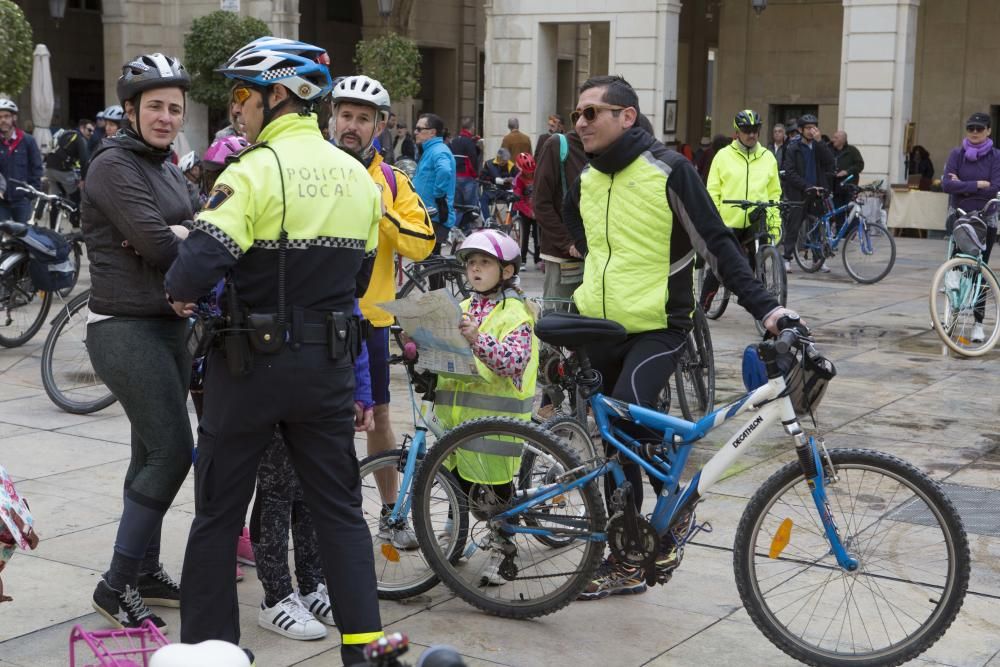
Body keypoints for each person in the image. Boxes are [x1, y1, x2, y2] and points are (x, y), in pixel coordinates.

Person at [164, 39, 383, 665]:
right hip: (328, 369)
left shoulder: (252, 170)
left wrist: (179, 294)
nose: (237, 108)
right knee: (340, 512)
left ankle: (212, 653)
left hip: (250, 366)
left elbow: (196, 268)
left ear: (278, 95)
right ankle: (366, 650)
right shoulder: (358, 177)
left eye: (242, 94)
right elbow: (360, 280)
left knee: (217, 513)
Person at [563, 75, 792, 600]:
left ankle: (658, 527)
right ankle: (630, 547)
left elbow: (717, 245)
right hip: (597, 327)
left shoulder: (670, 169)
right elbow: (576, 226)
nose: (580, 123)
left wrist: (768, 309)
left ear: (626, 116)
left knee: (624, 423)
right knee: (616, 446)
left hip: (657, 327)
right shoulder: (589, 177)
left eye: (591, 113)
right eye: (577, 114)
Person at [82, 53, 195, 632]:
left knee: (147, 452)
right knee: (174, 451)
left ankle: (145, 569)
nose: (166, 116)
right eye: (154, 106)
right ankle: (116, 582)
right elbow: (164, 247)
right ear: (130, 110)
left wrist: (182, 234)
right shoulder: (113, 166)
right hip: (125, 329)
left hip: (171, 326)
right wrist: (176, 237)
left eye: (174, 108)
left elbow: (200, 231)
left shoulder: (169, 168)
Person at [331, 74, 436, 549]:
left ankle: (392, 514)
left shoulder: (393, 181)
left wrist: (384, 212)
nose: (352, 126)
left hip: (370, 319)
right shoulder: (315, 169)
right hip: (317, 317)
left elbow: (422, 244)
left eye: (363, 119)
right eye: (345, 115)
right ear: (332, 118)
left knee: (378, 418)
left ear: (380, 126)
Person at [440, 229, 538, 584]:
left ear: (507, 271)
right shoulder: (462, 308)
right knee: (456, 486)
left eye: (485, 263)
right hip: (455, 419)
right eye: (471, 264)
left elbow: (513, 362)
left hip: (496, 422)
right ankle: (456, 535)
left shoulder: (517, 315)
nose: (475, 270)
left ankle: (504, 550)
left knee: (496, 497)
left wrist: (476, 338)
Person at [700, 110, 782, 310]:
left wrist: (774, 222)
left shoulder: (767, 157)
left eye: (755, 130)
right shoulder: (723, 156)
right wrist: (715, 218)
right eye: (747, 130)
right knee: (721, 265)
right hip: (729, 219)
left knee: (754, 267)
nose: (752, 134)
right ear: (737, 132)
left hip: (757, 218)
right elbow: (713, 190)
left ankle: (764, 310)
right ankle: (702, 307)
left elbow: (773, 193)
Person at [941, 111, 1000, 343]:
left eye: (979, 128)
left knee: (979, 270)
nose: (975, 133)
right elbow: (946, 184)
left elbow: (995, 187)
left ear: (988, 131)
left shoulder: (996, 157)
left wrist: (962, 185)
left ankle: (977, 323)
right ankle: (952, 313)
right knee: (956, 264)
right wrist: (976, 184)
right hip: (960, 216)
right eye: (971, 128)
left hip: (986, 217)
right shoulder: (957, 154)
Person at [534, 126, 587, 300]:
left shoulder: (605, 150)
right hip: (565, 257)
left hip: (598, 259)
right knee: (561, 317)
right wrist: (568, 242)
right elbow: (540, 203)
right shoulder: (558, 145)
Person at [780, 113, 833, 272]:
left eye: (814, 128)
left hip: (817, 192)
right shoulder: (793, 147)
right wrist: (806, 186)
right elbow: (790, 172)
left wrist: (820, 142)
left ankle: (818, 259)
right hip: (799, 193)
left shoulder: (819, 145)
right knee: (794, 226)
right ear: (801, 130)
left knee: (817, 227)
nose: (812, 131)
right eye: (808, 128)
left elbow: (830, 162)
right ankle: (787, 258)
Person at [412, 113, 456, 253]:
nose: (415, 132)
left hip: (434, 214)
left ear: (432, 132)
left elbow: (444, 170)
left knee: (429, 259)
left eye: (419, 129)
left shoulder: (438, 150)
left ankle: (442, 274)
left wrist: (439, 196)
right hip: (428, 212)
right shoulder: (430, 150)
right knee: (428, 258)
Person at [0, 99, 43, 223]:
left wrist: (31, 194)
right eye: (0, 117)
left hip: (22, 200)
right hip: (2, 201)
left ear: (14, 118)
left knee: (23, 237)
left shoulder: (27, 141)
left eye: (6, 116)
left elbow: (37, 168)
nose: (3, 120)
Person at [44, 118, 93, 227]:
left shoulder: (65, 133)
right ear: (82, 128)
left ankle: (53, 228)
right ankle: (75, 225)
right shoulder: (80, 139)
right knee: (76, 197)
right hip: (63, 172)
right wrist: (83, 179)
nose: (91, 133)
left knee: (56, 199)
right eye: (89, 130)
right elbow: (84, 160)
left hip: (49, 169)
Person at [450, 116, 482, 231]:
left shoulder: (454, 140)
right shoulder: (469, 142)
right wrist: (477, 175)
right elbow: (473, 160)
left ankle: (457, 230)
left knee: (458, 207)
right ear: (471, 128)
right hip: (467, 178)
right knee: (470, 208)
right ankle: (465, 231)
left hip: (455, 177)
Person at [831, 130, 865, 226]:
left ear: (843, 140)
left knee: (851, 212)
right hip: (836, 187)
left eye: (836, 138)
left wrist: (847, 171)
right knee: (838, 212)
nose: (833, 140)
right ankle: (840, 235)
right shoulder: (831, 150)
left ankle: (851, 234)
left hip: (849, 187)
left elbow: (860, 165)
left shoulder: (852, 150)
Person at [511, 152, 539, 267]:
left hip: (537, 209)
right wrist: (528, 212)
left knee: (538, 236)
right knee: (524, 236)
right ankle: (522, 259)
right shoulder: (519, 179)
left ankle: (538, 260)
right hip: (524, 211)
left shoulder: (538, 175)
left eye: (531, 171)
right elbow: (518, 199)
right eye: (527, 171)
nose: (530, 173)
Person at [479, 147, 518, 218]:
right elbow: (482, 177)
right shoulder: (489, 164)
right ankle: (487, 221)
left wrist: (512, 180)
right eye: (502, 160)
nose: (504, 162)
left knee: (513, 200)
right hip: (492, 190)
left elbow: (517, 178)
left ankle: (513, 221)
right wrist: (490, 180)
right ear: (498, 157)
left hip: (505, 191)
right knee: (482, 200)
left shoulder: (511, 166)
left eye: (506, 160)